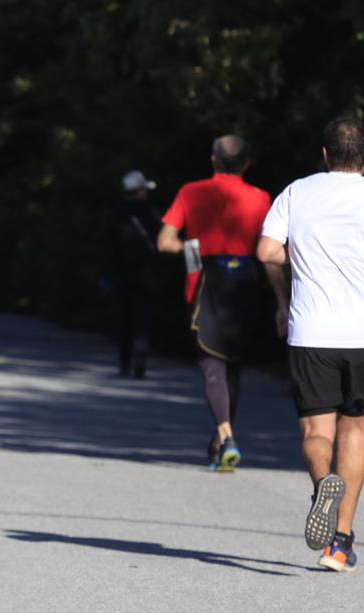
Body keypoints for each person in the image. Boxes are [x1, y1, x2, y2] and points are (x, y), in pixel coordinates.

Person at [257, 117, 364, 572]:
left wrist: (283, 298)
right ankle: (339, 543)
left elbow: (266, 251)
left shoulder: (297, 193)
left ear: (324, 155)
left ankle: (324, 481)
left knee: (315, 432)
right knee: (355, 430)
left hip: (312, 332)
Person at [157, 135, 287, 472]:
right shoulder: (261, 198)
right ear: (246, 164)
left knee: (211, 365)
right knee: (232, 365)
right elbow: (271, 256)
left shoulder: (191, 192)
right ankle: (220, 440)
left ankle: (226, 436)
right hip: (245, 285)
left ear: (213, 160)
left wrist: (191, 246)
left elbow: (164, 241)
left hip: (204, 285)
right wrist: (282, 302)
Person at [99, 170, 163, 378]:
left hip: (120, 276)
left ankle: (125, 361)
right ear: (139, 191)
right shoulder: (150, 214)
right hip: (145, 275)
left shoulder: (114, 214)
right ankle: (140, 361)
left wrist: (107, 274)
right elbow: (162, 241)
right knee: (142, 319)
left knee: (124, 319)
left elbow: (106, 247)